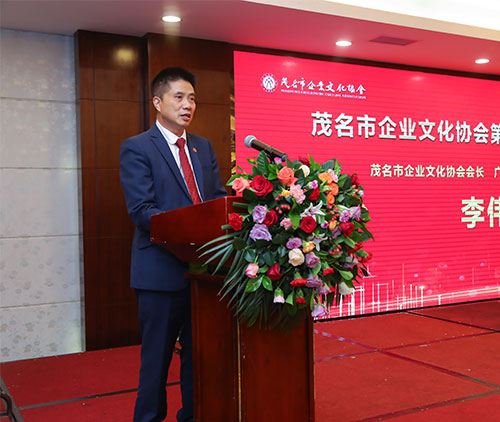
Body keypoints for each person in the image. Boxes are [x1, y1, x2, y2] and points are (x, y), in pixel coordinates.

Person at [120, 67, 227, 422]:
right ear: (157, 101)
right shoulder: (137, 148)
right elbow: (141, 210)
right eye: (179, 97)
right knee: (157, 361)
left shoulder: (202, 147)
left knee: (200, 358)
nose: (187, 105)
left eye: (192, 98)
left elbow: (216, 200)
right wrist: (190, 230)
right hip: (160, 272)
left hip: (204, 273)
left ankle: (194, 415)